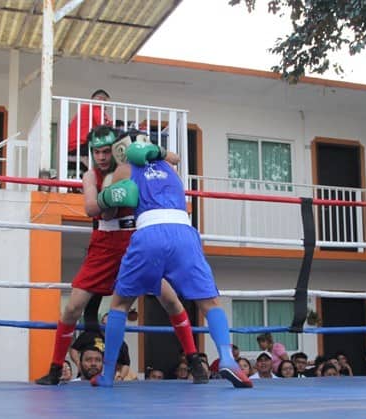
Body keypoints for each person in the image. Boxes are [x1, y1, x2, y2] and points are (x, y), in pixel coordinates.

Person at [36, 127, 203, 385]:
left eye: (105, 151)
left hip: (136, 240)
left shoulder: (134, 167)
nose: (101, 157)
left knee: (170, 300)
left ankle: (194, 361)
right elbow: (93, 208)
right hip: (103, 244)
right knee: (72, 306)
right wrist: (111, 195)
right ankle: (56, 368)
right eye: (96, 152)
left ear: (117, 149)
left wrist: (154, 151)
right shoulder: (91, 176)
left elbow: (173, 159)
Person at [90, 141, 252, 388]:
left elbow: (108, 213)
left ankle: (107, 375)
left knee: (120, 304)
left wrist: (105, 196)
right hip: (184, 232)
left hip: (149, 234)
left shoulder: (124, 170)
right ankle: (228, 359)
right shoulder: (169, 165)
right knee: (209, 302)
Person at [67, 89, 113, 173]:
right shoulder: (95, 106)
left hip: (76, 145)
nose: (106, 108)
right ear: (100, 99)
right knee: (109, 150)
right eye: (106, 103)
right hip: (78, 146)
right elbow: (104, 127)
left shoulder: (88, 108)